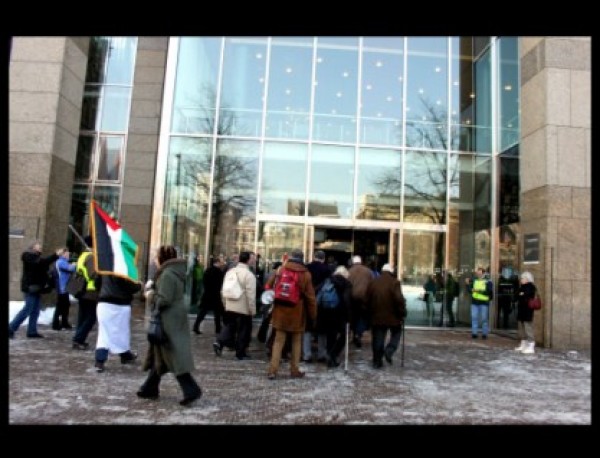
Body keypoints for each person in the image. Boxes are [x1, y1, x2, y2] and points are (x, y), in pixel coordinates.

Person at [137, 245, 202, 406]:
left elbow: (164, 299)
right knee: (160, 353)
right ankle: (150, 387)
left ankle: (191, 389)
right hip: (173, 318)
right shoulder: (174, 272)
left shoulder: (167, 274)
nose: (154, 260)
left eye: (156, 257)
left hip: (168, 320)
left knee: (171, 354)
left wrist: (150, 294)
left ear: (162, 258)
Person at [265, 248, 317, 380]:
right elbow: (310, 297)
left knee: (278, 341)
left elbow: (268, 285)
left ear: (291, 257)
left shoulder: (281, 270)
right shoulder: (306, 274)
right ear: (302, 258)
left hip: (280, 310)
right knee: (296, 341)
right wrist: (313, 315)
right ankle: (294, 369)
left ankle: (273, 370)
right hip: (297, 311)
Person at [9, 241, 60, 339]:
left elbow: (43, 265)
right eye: (38, 246)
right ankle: (11, 328)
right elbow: (41, 262)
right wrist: (55, 255)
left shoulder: (37, 258)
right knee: (28, 309)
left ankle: (32, 331)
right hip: (30, 287)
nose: (40, 247)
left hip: (36, 288)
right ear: (32, 247)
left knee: (35, 310)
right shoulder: (28, 256)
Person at [93, 271, 142, 373]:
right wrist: (139, 285)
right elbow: (130, 287)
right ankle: (125, 355)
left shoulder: (103, 268)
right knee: (122, 331)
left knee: (104, 332)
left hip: (104, 303)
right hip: (121, 303)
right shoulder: (123, 269)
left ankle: (100, 360)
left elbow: (96, 283)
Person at [212, 251, 257, 360]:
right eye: (252, 258)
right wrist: (252, 309)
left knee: (229, 325)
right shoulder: (249, 275)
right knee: (243, 330)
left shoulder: (230, 272)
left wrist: (225, 302)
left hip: (230, 303)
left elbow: (224, 289)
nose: (254, 260)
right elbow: (251, 295)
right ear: (248, 260)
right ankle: (240, 353)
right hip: (243, 306)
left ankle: (219, 342)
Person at [365, 263, 406, 368]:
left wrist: (369, 312)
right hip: (393, 316)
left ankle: (377, 361)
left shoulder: (373, 282)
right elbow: (399, 299)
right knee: (396, 333)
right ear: (391, 271)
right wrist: (402, 313)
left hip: (376, 316)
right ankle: (389, 350)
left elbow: (366, 299)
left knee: (378, 339)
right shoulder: (394, 282)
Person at [315, 265, 352, 368]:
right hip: (339, 313)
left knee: (330, 335)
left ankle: (330, 356)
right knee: (344, 335)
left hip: (325, 312)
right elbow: (347, 300)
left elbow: (316, 291)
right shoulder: (346, 283)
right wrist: (348, 316)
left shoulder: (327, 281)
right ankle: (333, 355)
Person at [72, 236, 100, 350]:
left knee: (83, 317)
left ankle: (79, 339)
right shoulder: (92, 257)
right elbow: (93, 274)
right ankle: (78, 339)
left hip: (82, 290)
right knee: (91, 318)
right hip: (90, 291)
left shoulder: (83, 255)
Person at [303, 250, 331, 363]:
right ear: (323, 258)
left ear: (314, 257)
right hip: (322, 302)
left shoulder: (307, 268)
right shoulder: (327, 269)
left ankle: (307, 354)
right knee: (322, 329)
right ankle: (321, 354)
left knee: (307, 328)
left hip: (308, 300)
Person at [192, 255, 226, 335]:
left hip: (207, 295)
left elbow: (204, 282)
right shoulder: (219, 272)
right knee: (218, 313)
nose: (221, 264)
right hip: (215, 295)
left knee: (203, 312)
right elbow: (220, 284)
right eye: (220, 262)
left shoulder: (207, 270)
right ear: (217, 263)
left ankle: (196, 326)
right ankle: (218, 329)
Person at [347, 255, 373, 348]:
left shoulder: (349, 271)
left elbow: (347, 285)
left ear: (353, 262)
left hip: (352, 297)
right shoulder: (368, 271)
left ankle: (355, 334)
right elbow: (372, 284)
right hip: (364, 298)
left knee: (354, 317)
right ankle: (358, 334)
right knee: (362, 317)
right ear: (361, 262)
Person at [465, 267, 494, 339]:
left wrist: (477, 290)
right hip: (475, 302)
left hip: (484, 302)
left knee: (484, 319)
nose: (478, 274)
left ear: (483, 273)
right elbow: (470, 291)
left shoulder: (488, 281)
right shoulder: (475, 281)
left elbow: (488, 291)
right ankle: (474, 333)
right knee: (474, 318)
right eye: (477, 273)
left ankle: (484, 334)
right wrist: (467, 284)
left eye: (480, 273)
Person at [52, 247, 76, 330]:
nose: (68, 254)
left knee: (65, 305)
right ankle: (56, 324)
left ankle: (64, 323)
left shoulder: (63, 261)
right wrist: (75, 265)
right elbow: (70, 268)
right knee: (61, 306)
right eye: (67, 253)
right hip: (62, 287)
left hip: (64, 287)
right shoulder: (61, 262)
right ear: (63, 254)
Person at [514, 271, 538, 354]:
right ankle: (523, 344)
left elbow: (526, 296)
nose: (521, 280)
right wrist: (521, 294)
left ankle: (531, 345)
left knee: (528, 327)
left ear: (527, 279)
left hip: (527, 310)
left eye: (522, 278)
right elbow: (516, 295)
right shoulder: (522, 287)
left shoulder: (531, 287)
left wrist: (522, 294)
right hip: (521, 309)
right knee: (522, 328)